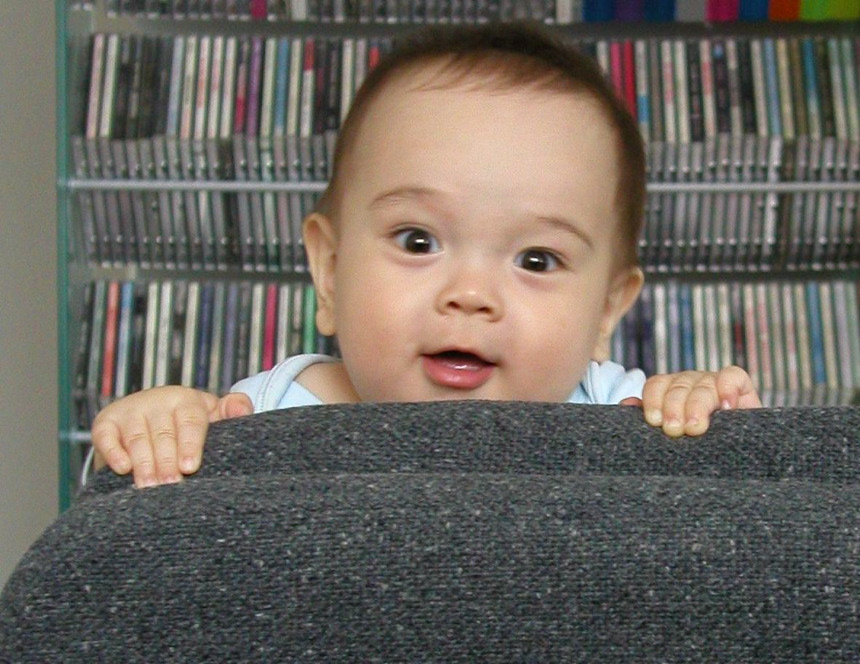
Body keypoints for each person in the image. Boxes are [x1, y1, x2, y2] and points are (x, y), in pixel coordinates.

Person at [92, 21, 761, 488]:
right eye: (418, 241)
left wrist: (710, 417)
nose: (470, 294)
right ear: (329, 271)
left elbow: (743, 520)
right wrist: (153, 433)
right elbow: (137, 546)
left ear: (608, 308)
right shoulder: (264, 415)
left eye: (535, 260)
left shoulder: (625, 415)